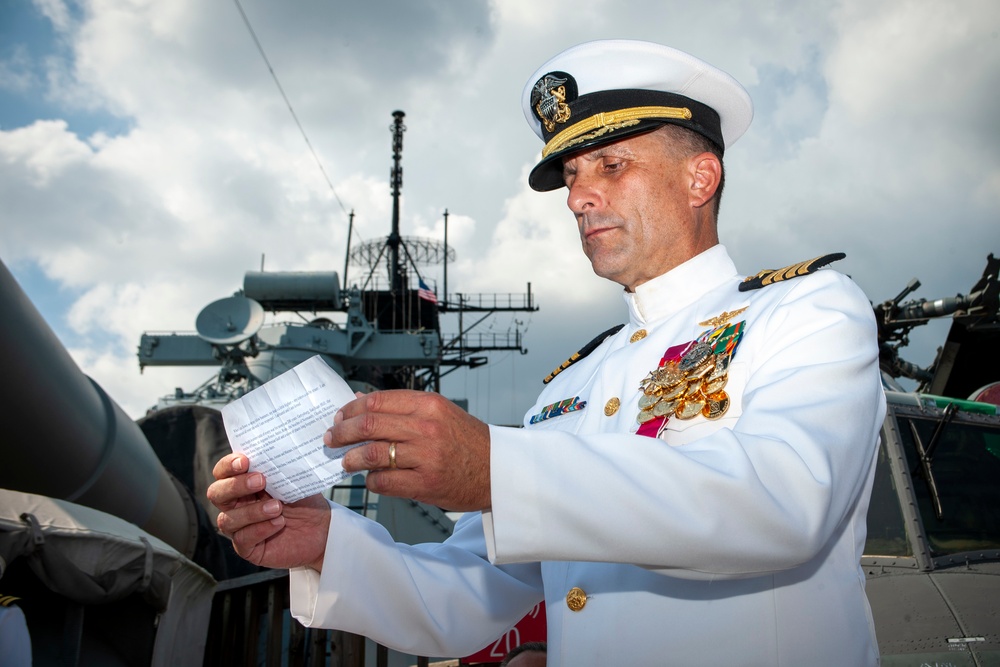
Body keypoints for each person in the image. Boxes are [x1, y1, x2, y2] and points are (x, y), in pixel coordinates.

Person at [208, 39, 885, 665]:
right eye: (571, 176)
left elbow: (783, 501)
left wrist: (497, 466)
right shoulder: (573, 386)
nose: (579, 197)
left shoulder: (809, 311)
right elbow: (471, 592)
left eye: (612, 166)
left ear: (700, 177)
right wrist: (328, 545)